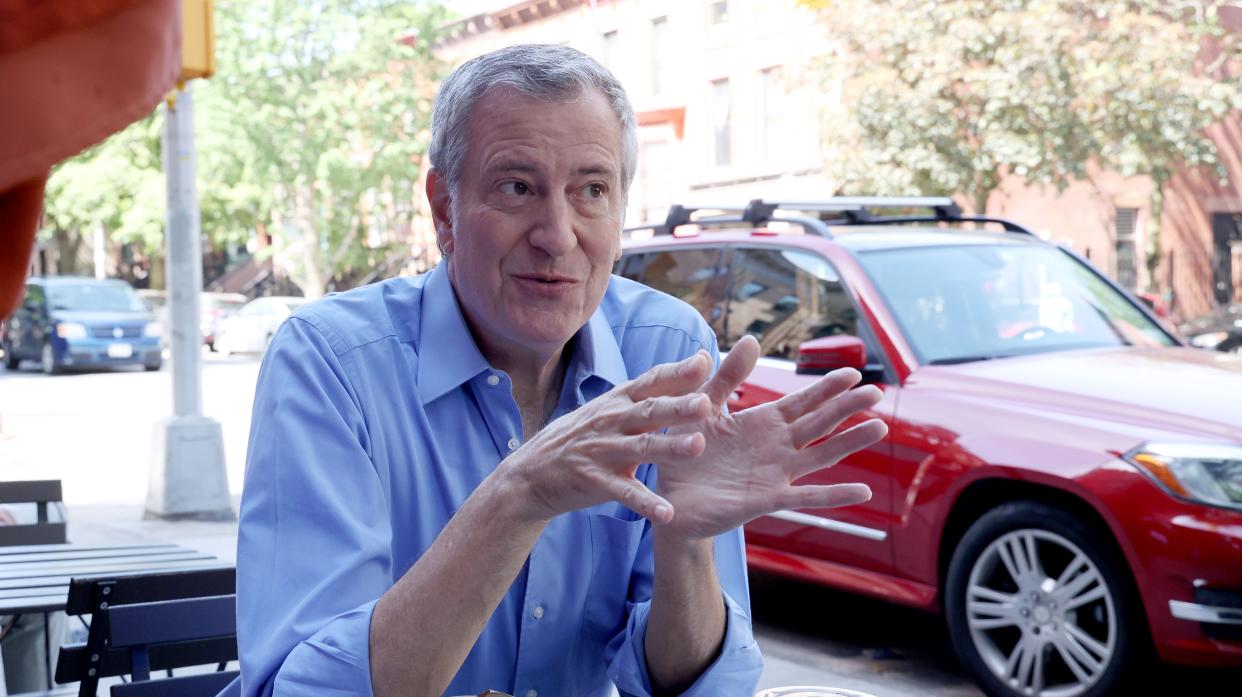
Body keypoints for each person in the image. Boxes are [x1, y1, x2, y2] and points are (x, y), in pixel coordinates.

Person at [227, 43, 887, 697]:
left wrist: (684, 545)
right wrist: (521, 494)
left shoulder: (666, 348)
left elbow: (697, 687)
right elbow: (305, 690)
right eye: (517, 187)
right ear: (443, 208)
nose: (557, 232)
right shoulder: (331, 363)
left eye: (591, 190)